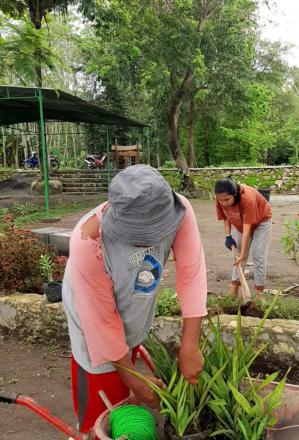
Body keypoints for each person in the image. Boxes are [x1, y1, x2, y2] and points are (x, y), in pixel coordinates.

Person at [62, 165, 207, 437]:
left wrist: (190, 344)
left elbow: (191, 273)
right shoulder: (89, 241)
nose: (149, 243)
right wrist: (132, 377)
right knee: (102, 394)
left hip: (135, 301)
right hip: (91, 317)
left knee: (129, 344)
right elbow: (101, 322)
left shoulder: (178, 211)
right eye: (140, 239)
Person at [215, 178, 272, 299]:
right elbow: (225, 217)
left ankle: (259, 293)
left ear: (234, 194)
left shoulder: (248, 199)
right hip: (240, 223)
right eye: (221, 200)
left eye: (227, 199)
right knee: (238, 258)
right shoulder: (220, 198)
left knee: (258, 255)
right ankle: (234, 290)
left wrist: (242, 255)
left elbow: (247, 231)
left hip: (262, 221)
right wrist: (228, 235)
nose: (223, 203)